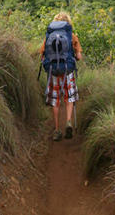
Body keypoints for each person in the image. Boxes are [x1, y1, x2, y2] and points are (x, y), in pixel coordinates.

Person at [38, 12, 83, 141]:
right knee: (69, 98)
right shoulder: (72, 37)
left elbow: (42, 56)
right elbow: (79, 57)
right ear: (68, 23)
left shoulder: (49, 37)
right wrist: (74, 57)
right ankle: (68, 122)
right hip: (67, 71)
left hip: (53, 72)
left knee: (55, 101)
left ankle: (57, 130)